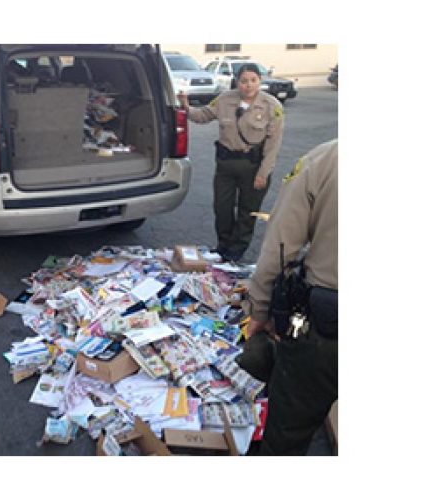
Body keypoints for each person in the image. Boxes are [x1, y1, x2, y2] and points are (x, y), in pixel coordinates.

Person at [242, 139, 338, 455]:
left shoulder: (326, 158)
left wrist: (259, 309)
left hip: (326, 330)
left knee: (287, 433)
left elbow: (281, 244)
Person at [178, 63, 285, 262]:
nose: (248, 85)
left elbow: (273, 144)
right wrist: (187, 107)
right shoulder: (225, 99)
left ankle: (236, 251)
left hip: (253, 167)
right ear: (237, 81)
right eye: (244, 81)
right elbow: (203, 115)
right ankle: (223, 246)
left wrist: (264, 173)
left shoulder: (272, 106)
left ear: (260, 81)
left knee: (247, 212)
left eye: (253, 80)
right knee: (222, 207)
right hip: (226, 165)